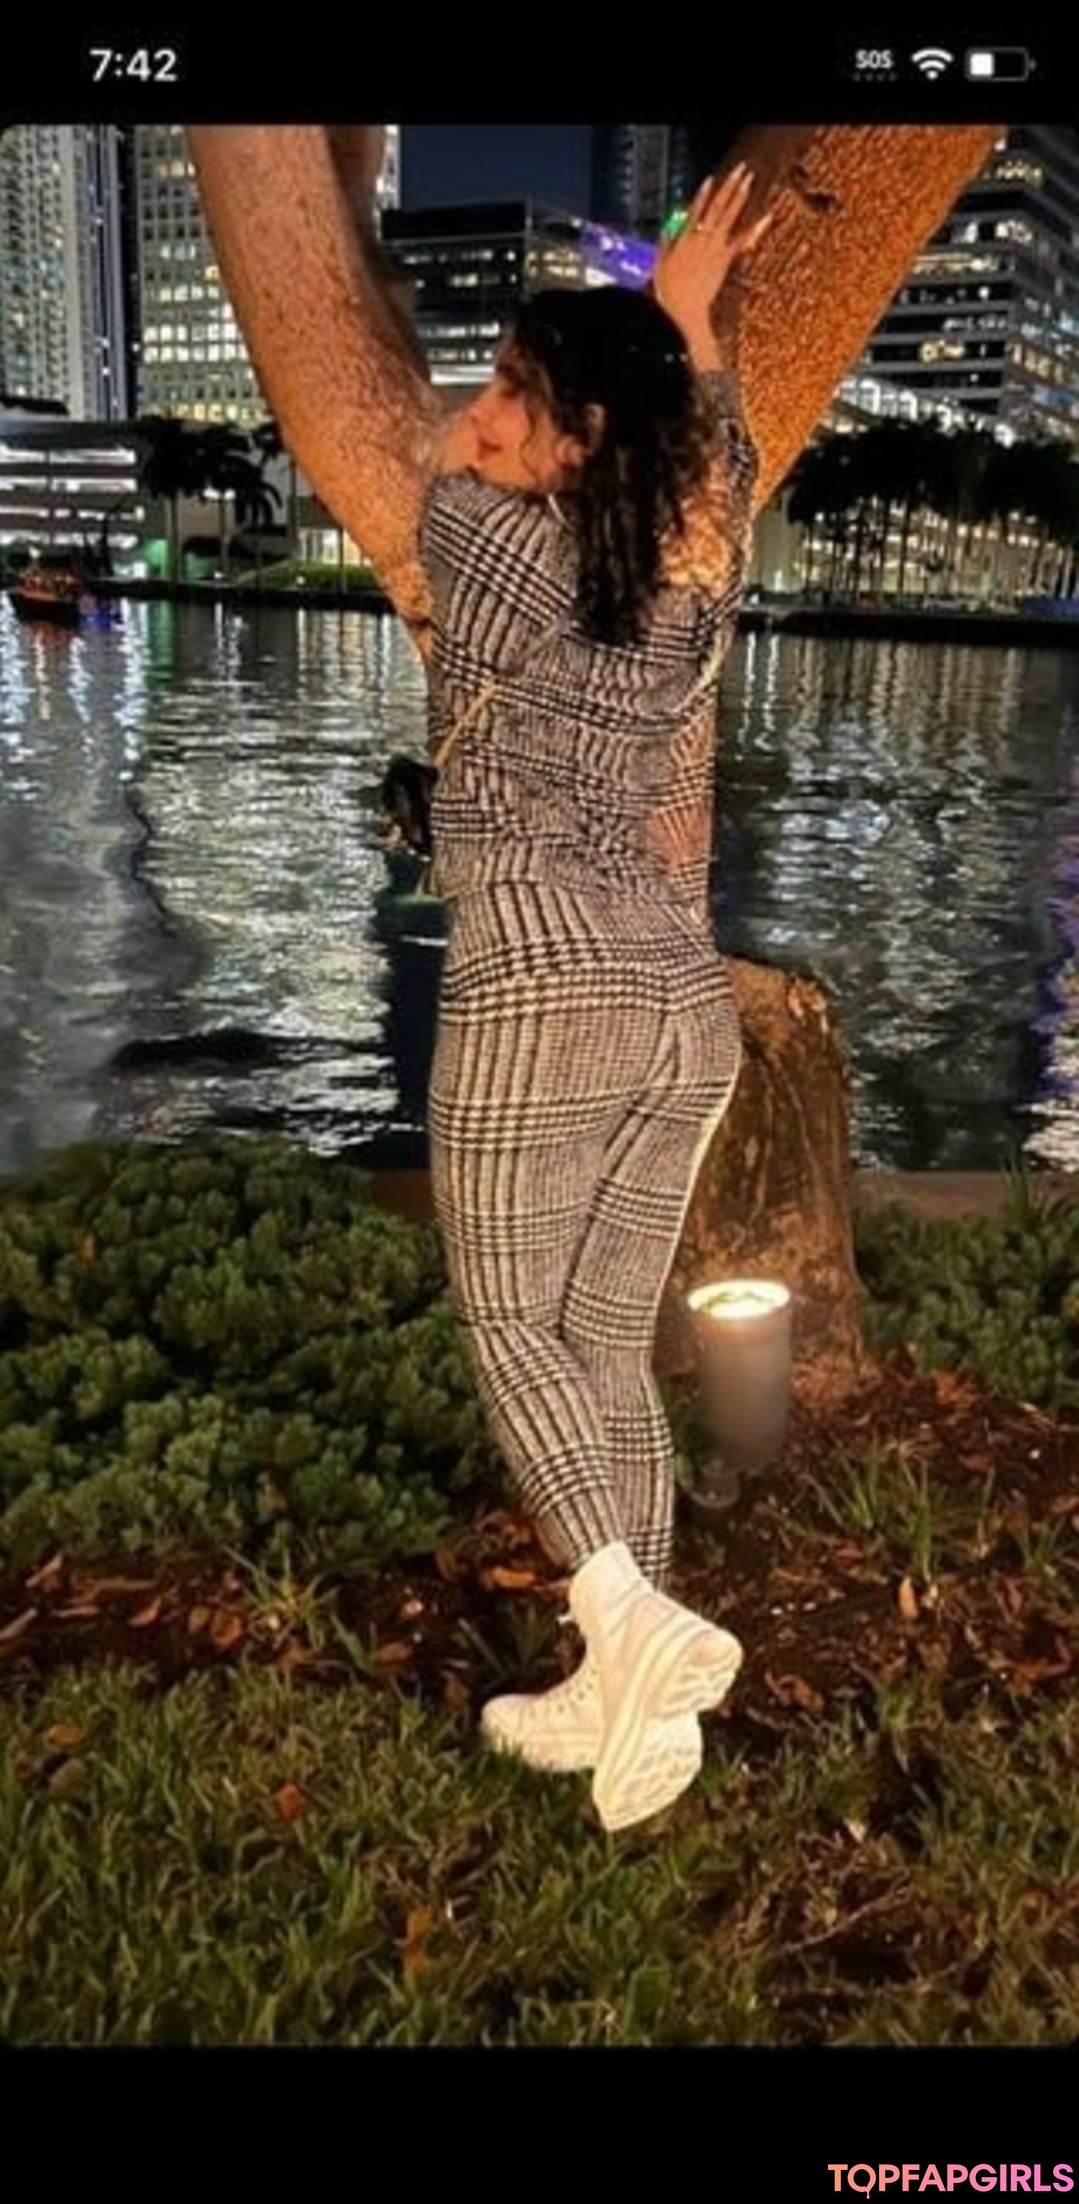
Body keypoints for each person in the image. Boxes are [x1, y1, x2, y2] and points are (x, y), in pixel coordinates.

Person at [418, 165, 773, 1833]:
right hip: (679, 1010)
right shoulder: (689, 596)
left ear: (579, 441)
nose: (483, 413)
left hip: (539, 985)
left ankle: (628, 1615)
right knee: (604, 1345)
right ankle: (624, 1701)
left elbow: (439, 462)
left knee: (514, 1330)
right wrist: (689, 335)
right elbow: (725, 474)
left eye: (515, 391)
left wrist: (654, 337)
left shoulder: (481, 540)